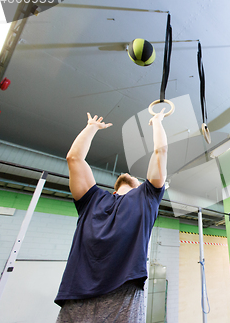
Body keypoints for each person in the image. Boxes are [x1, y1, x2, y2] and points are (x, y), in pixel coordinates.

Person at [54, 110, 168, 322]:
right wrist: (91, 127)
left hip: (121, 295)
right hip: (77, 296)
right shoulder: (92, 199)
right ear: (115, 190)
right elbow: (73, 158)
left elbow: (160, 151)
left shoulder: (146, 197)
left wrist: (157, 122)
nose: (129, 174)